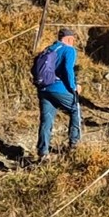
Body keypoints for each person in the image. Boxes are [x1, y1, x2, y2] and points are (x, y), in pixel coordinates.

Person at [32, 27, 81, 159]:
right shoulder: (69, 50)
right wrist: (73, 87)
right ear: (69, 39)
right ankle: (74, 143)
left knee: (46, 120)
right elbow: (68, 69)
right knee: (75, 109)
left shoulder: (49, 48)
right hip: (59, 88)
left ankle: (43, 152)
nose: (74, 42)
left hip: (43, 89)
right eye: (73, 40)